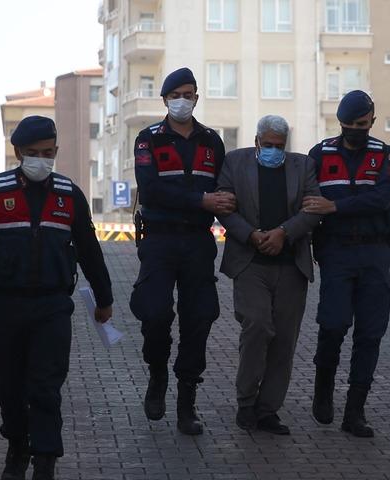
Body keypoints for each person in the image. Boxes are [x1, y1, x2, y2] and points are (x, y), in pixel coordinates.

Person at [0, 116, 114, 480]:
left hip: (53, 306)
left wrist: (105, 299)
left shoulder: (69, 195)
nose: (41, 159)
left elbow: (89, 251)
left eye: (47, 152)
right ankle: (17, 445)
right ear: (17, 153)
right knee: (9, 386)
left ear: (56, 151)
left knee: (45, 385)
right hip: (5, 305)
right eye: (32, 153)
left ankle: (44, 460)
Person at [129, 67, 235, 435]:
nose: (183, 101)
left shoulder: (211, 141)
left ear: (196, 98)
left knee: (200, 318)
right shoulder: (149, 140)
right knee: (155, 313)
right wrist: (201, 200)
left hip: (197, 241)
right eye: (176, 95)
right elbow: (152, 189)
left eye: (189, 94)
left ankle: (186, 399)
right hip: (159, 240)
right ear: (165, 100)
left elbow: (225, 191)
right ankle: (158, 372)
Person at [302, 90, 390, 438]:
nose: (355, 131)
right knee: (333, 324)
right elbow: (310, 200)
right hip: (336, 252)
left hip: (374, 253)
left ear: (372, 120)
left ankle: (355, 411)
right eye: (348, 125)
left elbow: (380, 198)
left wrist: (337, 206)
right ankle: (323, 390)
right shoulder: (320, 154)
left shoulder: (385, 155)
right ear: (340, 123)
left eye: (361, 125)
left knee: (370, 334)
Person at [217, 115, 321, 435]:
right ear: (257, 140)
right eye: (269, 145)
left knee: (283, 342)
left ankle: (268, 410)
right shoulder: (235, 163)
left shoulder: (302, 166)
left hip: (291, 266)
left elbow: (312, 209)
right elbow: (224, 207)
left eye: (280, 146)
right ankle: (246, 401)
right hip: (250, 263)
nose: (275, 151)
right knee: (258, 326)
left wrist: (283, 233)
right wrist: (250, 235)